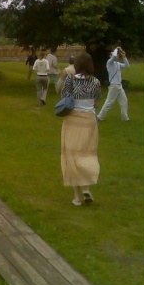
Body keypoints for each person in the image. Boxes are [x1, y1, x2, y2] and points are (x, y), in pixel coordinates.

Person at [59, 51, 102, 206]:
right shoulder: (96, 82)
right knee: (88, 153)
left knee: (71, 155)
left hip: (72, 120)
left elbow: (63, 97)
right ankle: (86, 187)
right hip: (89, 120)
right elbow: (96, 101)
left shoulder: (70, 81)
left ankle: (77, 197)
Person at [97, 47, 131, 122]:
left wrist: (124, 56)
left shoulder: (117, 64)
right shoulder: (109, 63)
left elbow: (127, 66)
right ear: (110, 56)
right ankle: (99, 116)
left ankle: (125, 117)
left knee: (124, 101)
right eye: (112, 54)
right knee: (109, 102)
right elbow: (114, 56)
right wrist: (116, 48)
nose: (115, 55)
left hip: (119, 86)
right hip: (114, 86)